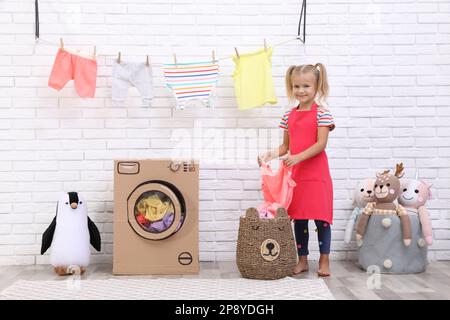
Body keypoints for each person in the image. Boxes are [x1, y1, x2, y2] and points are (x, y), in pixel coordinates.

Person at [258, 63, 335, 277]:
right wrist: (269, 154)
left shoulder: (323, 114)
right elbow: (285, 147)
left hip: (317, 175)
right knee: (299, 219)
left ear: (317, 86)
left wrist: (297, 157)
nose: (301, 91)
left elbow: (321, 144)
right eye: (296, 86)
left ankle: (324, 259)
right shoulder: (288, 116)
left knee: (321, 219)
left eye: (306, 86)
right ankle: (302, 260)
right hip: (296, 176)